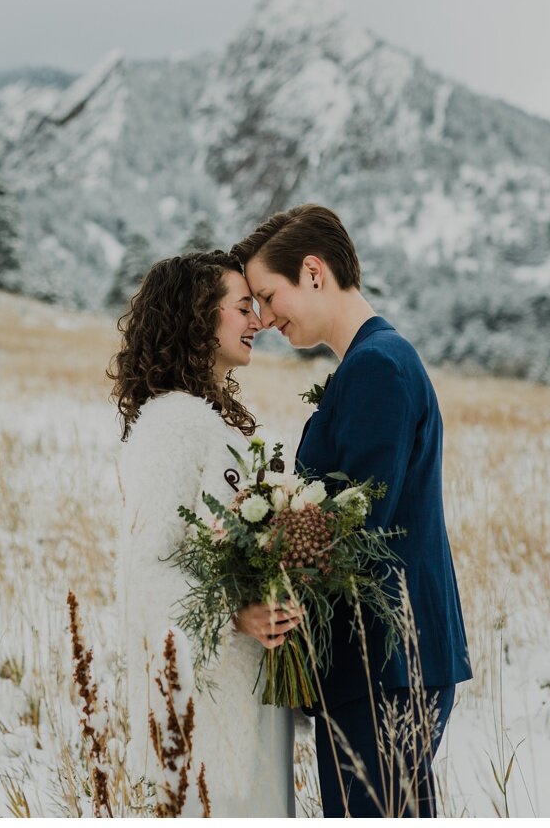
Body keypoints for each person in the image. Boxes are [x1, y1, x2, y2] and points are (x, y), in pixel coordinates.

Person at [231, 204, 473, 818]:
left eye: (267, 294)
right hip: (387, 657)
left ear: (313, 272)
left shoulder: (377, 368)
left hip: (385, 660)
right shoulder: (371, 360)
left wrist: (261, 550)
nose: (262, 317)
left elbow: (355, 526)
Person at [109, 249, 298, 817]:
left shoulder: (213, 421)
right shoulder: (171, 424)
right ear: (198, 318)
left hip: (248, 693)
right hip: (208, 710)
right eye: (243, 308)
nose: (258, 321)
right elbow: (145, 572)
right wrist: (235, 613)